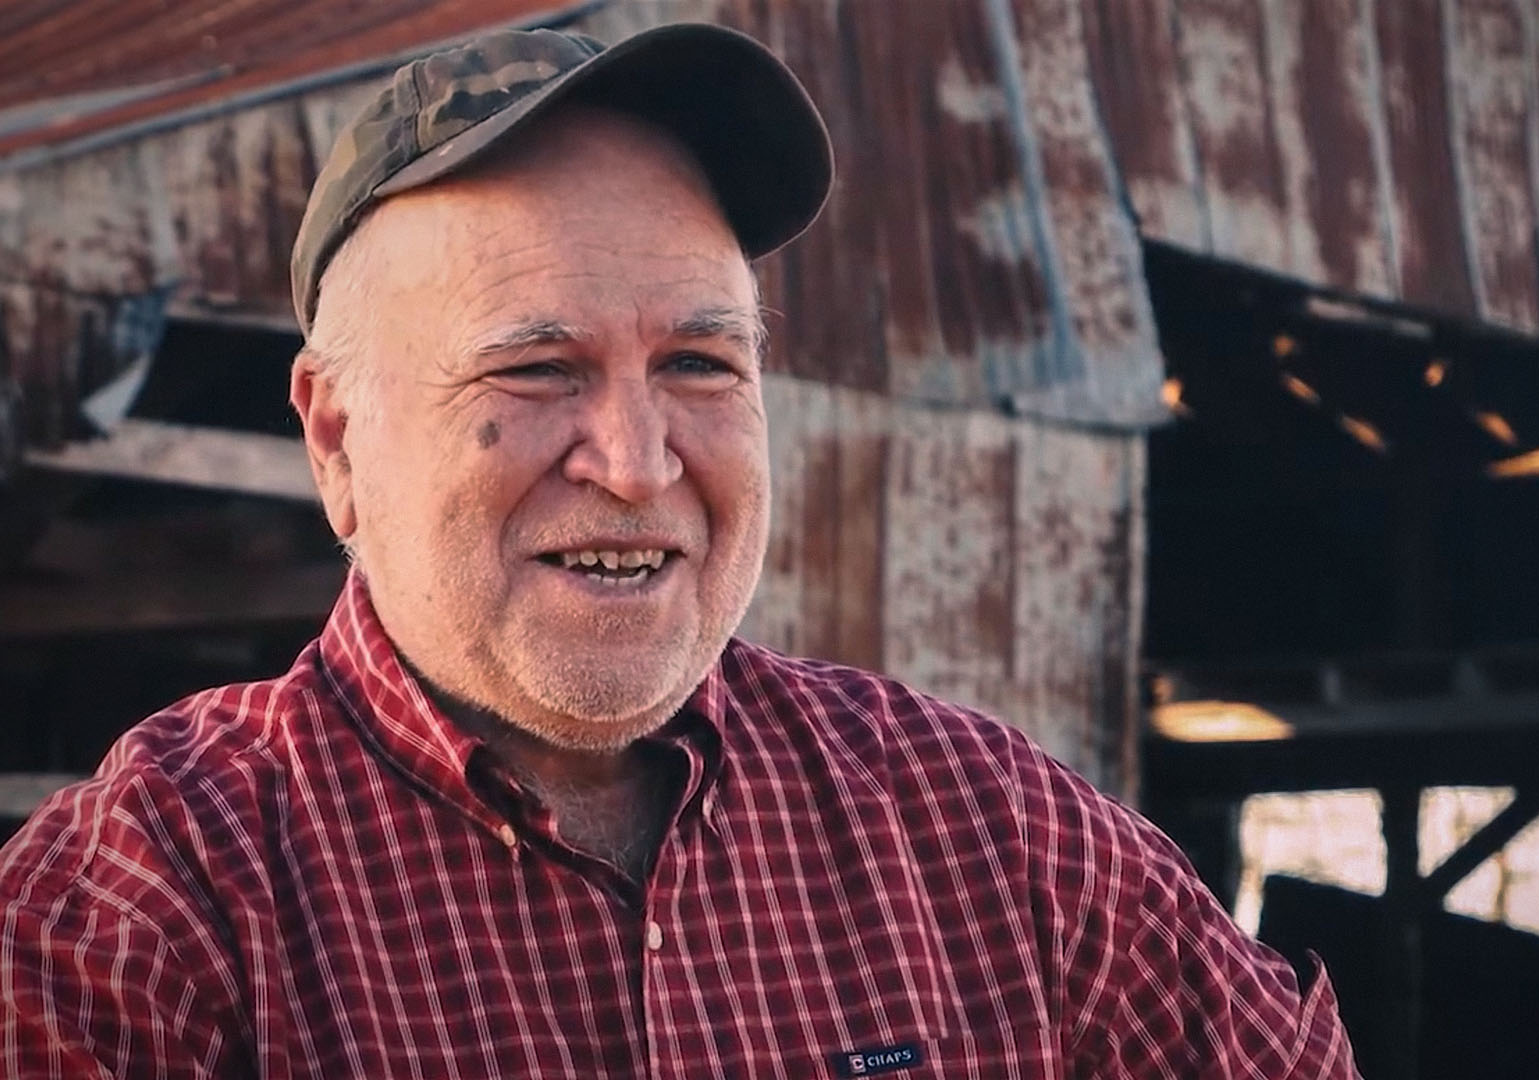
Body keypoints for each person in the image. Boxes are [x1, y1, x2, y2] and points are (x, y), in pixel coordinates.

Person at [0, 23, 1357, 1078]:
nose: (639, 464)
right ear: (340, 441)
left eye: (701, 362)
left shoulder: (987, 831)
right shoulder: (144, 907)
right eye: (535, 369)